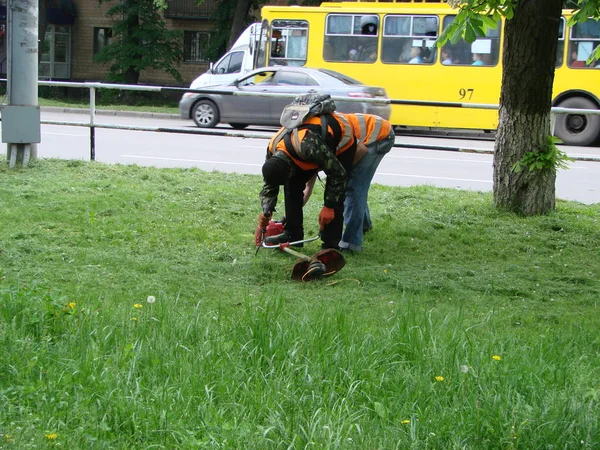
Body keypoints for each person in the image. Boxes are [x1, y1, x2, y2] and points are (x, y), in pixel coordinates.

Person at [256, 94, 357, 250]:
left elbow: (338, 175)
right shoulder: (273, 149)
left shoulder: (309, 146)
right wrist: (266, 211)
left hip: (343, 142)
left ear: (290, 169)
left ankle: (330, 244)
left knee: (336, 193)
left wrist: (329, 207)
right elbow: (270, 184)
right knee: (292, 187)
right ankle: (293, 234)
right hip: (304, 149)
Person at [303, 113, 395, 252]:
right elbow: (307, 189)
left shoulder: (331, 136)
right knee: (353, 186)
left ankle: (351, 244)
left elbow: (361, 150)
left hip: (379, 135)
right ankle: (364, 225)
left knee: (352, 188)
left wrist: (341, 175)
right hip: (370, 132)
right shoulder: (310, 147)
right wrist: (287, 217)